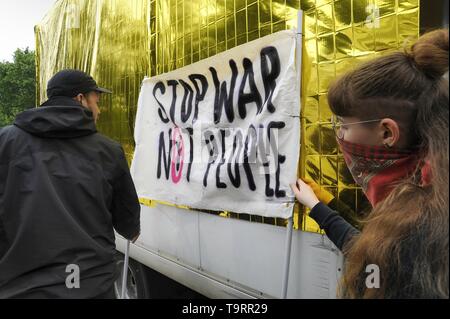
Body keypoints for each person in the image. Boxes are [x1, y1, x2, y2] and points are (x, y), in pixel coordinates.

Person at [291, 29, 449, 298]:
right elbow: (369, 248)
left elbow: (377, 260)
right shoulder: (422, 195)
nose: (338, 135)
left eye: (343, 124)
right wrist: (320, 205)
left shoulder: (421, 235)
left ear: (387, 133)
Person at [0, 69, 141, 299]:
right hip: (91, 287)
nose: (99, 109)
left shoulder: (5, 142)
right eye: (97, 100)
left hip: (21, 288)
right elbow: (130, 228)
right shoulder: (108, 150)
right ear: (80, 99)